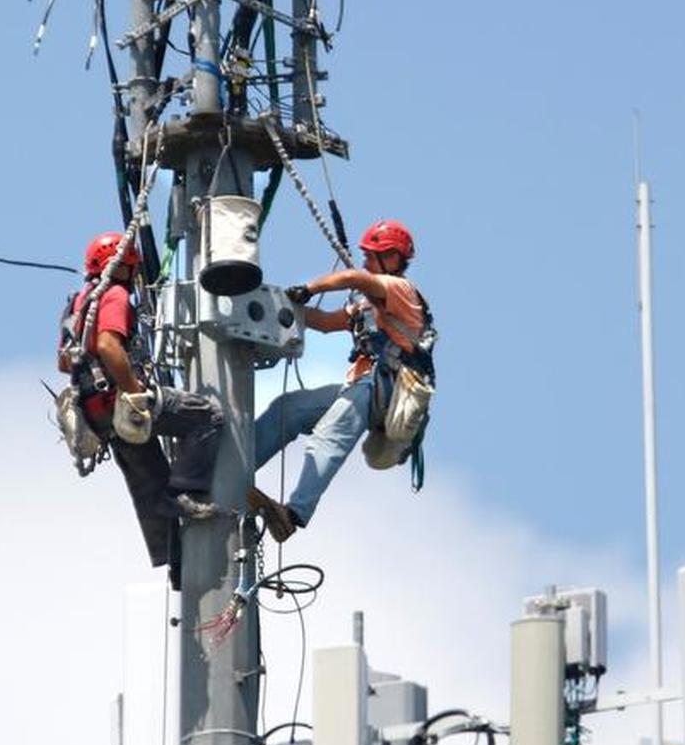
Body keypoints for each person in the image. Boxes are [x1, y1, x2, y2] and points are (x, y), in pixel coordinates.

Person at [249, 220, 426, 542]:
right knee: (289, 409)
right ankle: (237, 468)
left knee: (330, 436)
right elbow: (326, 322)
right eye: (366, 256)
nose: (367, 262)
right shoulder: (367, 305)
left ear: (393, 259)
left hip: (383, 387)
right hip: (361, 384)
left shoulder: (400, 291)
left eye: (373, 256)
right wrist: (282, 305)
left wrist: (309, 289)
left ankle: (294, 513)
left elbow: (353, 278)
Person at [60, 232, 224, 567]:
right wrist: (134, 392)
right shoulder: (115, 295)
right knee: (207, 416)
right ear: (124, 265)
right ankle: (187, 492)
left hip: (95, 413)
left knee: (152, 486)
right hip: (118, 400)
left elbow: (64, 362)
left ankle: (175, 564)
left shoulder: (78, 303)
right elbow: (108, 345)